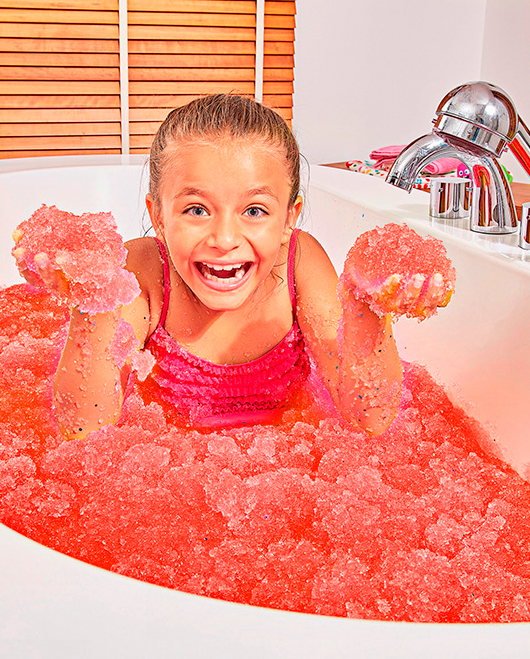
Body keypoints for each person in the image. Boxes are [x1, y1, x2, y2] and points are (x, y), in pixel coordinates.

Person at [43, 94, 450, 439]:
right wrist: (93, 300)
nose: (224, 239)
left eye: (254, 210)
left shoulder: (300, 264)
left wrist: (367, 307)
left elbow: (368, 420)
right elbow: (85, 431)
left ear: (289, 218)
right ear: (159, 217)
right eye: (196, 209)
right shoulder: (142, 272)